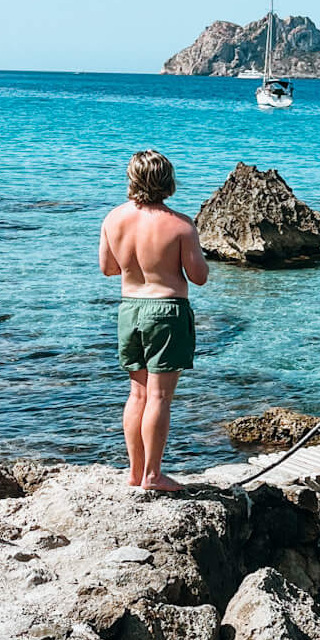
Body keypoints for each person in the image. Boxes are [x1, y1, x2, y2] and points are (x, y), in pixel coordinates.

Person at [99, 150, 208, 492]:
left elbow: (108, 269)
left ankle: (134, 472)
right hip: (167, 311)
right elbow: (199, 276)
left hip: (130, 309)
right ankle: (153, 475)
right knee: (159, 397)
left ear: (132, 179)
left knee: (137, 394)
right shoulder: (180, 224)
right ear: (168, 181)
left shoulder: (113, 219)